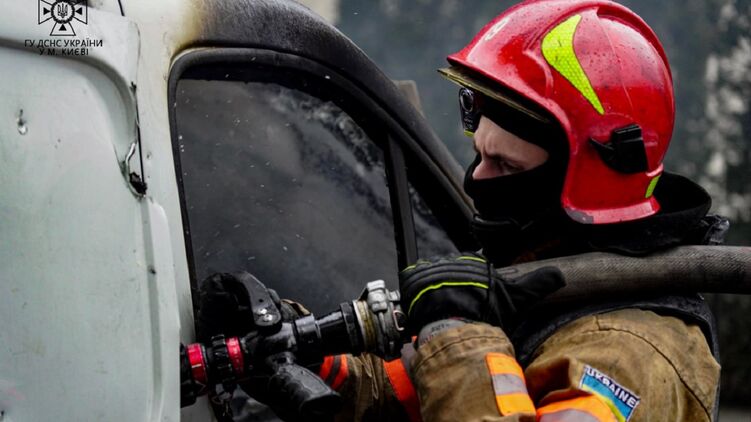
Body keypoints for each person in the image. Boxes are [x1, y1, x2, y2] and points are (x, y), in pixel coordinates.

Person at [199, 1, 726, 420]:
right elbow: (407, 398)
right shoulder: (541, 286)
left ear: (584, 183)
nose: (476, 179)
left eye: (506, 165)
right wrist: (298, 351)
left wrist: (454, 332)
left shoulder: (632, 353)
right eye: (479, 154)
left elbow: (465, 376)